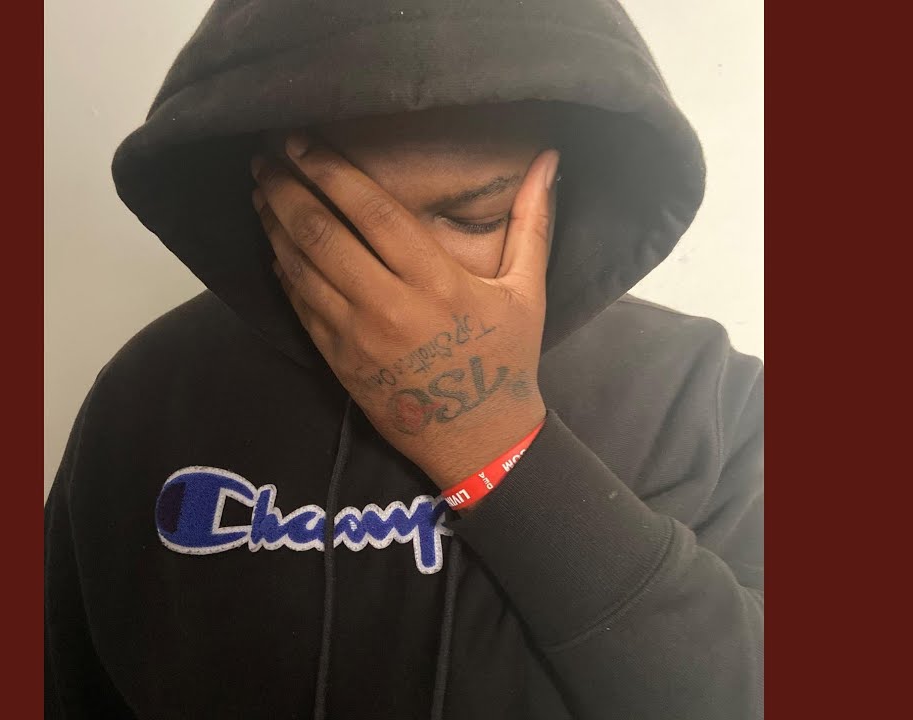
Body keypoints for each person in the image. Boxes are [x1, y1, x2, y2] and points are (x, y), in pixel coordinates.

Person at [44, 1, 764, 718]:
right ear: (262, 195)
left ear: (565, 188)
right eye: (337, 223)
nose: (402, 293)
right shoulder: (145, 398)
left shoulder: (706, 395)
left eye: (474, 218)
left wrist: (495, 441)